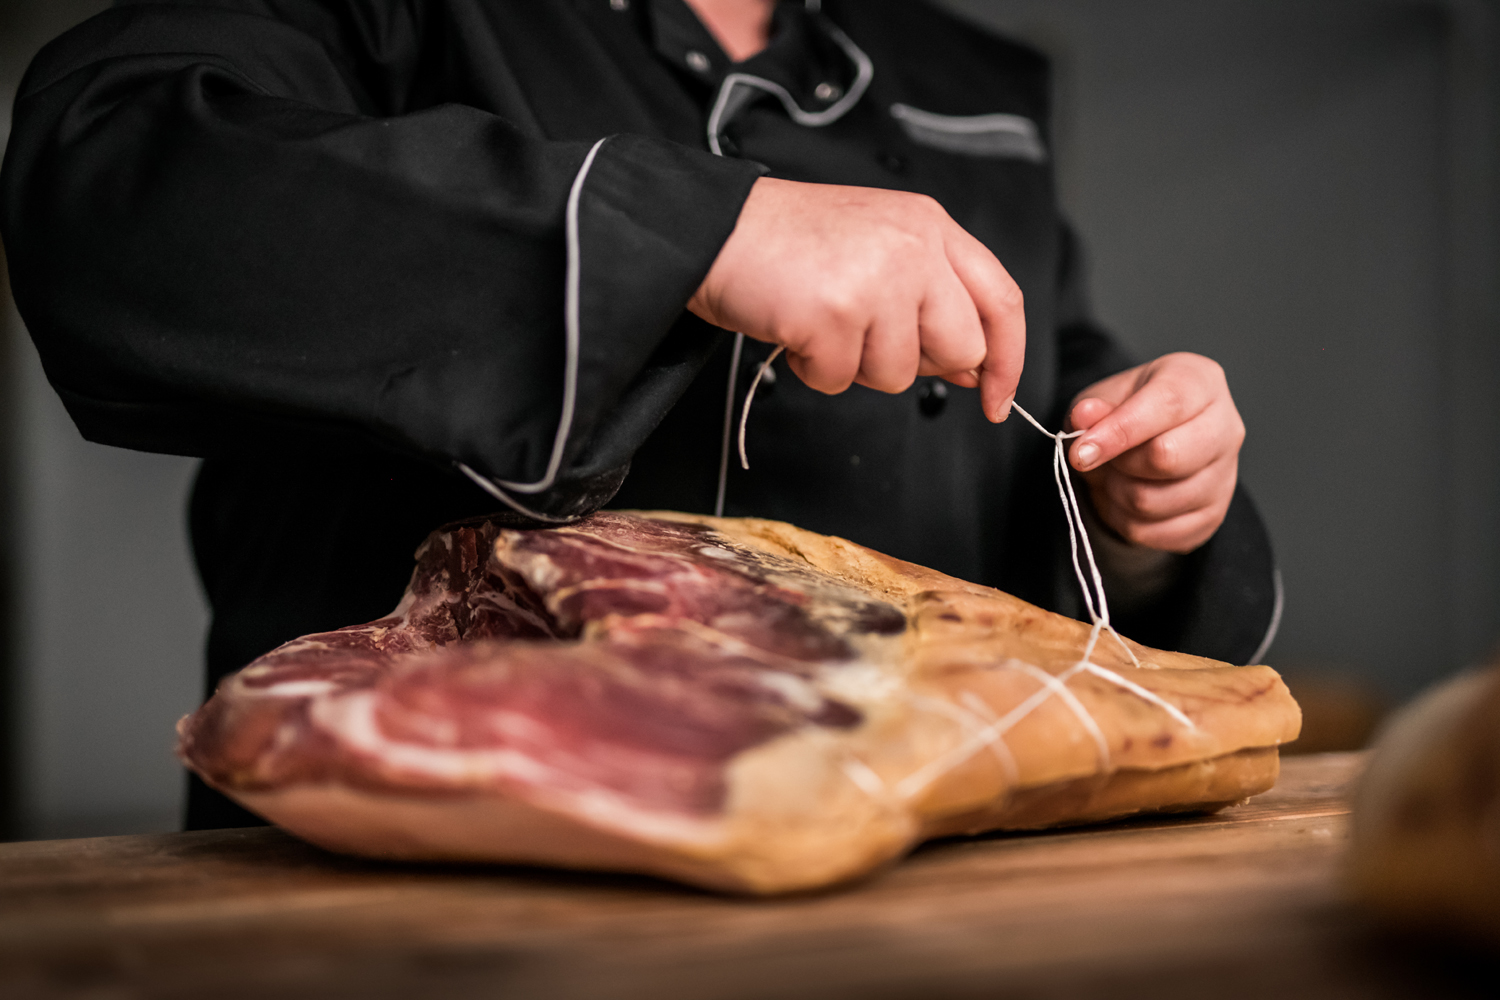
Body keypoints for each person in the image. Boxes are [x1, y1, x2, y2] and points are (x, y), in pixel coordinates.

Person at [0, 0, 1277, 829]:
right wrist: (699, 231)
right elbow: (104, 177)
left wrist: (1139, 511)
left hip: (899, 879)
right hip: (421, 900)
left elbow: (1045, 399)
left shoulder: (972, 80)